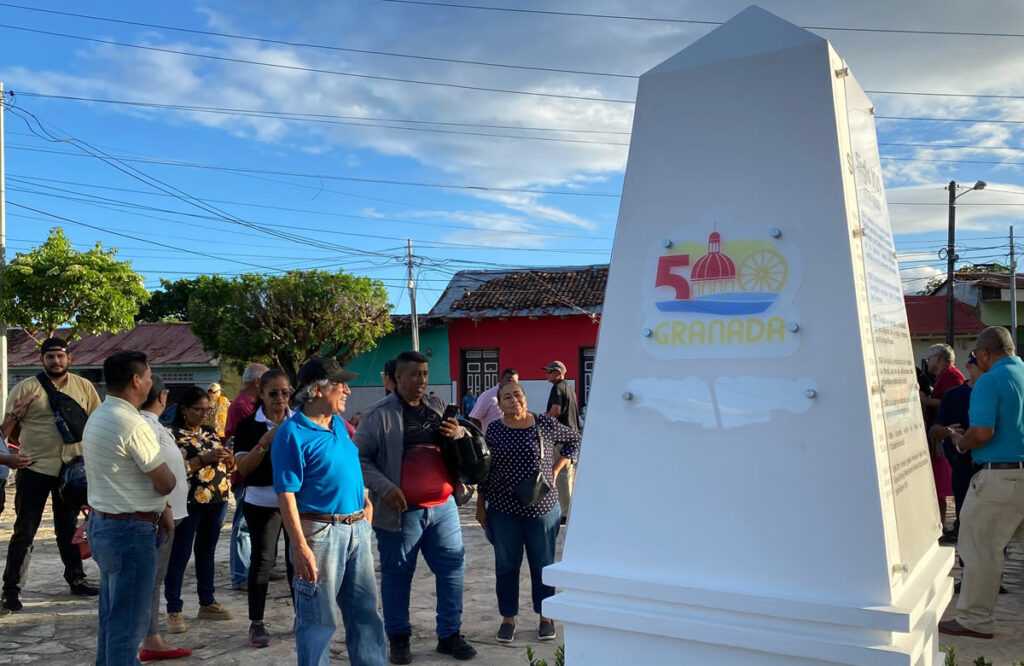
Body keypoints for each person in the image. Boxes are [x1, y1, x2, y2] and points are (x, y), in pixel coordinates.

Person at [356, 350, 477, 664]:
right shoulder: (377, 414)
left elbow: (460, 441)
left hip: (444, 508)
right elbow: (360, 459)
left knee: (452, 569)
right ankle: (399, 637)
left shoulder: (437, 407)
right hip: (400, 513)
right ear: (397, 377)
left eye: (424, 373)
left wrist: (457, 433)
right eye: (414, 374)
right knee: (397, 575)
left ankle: (449, 635)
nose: (421, 380)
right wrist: (385, 488)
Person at [273, 358, 386, 666]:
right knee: (318, 621)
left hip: (356, 528)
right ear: (318, 389)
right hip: (320, 534)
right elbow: (286, 494)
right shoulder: (291, 433)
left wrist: (364, 500)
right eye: (340, 384)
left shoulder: (337, 424)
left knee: (366, 614)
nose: (347, 390)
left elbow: (344, 465)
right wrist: (299, 547)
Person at [82, 351, 177, 665]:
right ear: (136, 380)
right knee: (128, 626)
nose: (151, 381)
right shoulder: (132, 423)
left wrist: (161, 507)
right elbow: (165, 481)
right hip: (129, 531)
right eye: (149, 376)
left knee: (112, 618)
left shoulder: (100, 415)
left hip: (106, 524)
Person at [475, 381, 580, 644]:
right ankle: (508, 618)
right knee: (506, 565)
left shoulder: (544, 423)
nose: (514, 400)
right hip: (503, 510)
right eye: (507, 397)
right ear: (500, 404)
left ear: (525, 397)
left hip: (541, 509)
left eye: (518, 395)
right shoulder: (495, 429)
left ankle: (546, 617)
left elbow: (574, 440)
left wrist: (556, 469)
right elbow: (486, 469)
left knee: (542, 563)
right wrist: (480, 504)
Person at [1, 337, 101, 612]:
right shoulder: (26, 387)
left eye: (60, 356)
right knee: (25, 531)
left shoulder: (84, 387)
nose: (56, 361)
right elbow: (6, 433)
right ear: (42, 359)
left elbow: (96, 424)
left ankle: (76, 579)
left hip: (73, 471)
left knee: (67, 528)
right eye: (50, 357)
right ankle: (11, 590)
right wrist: (16, 416)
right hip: (34, 468)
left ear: (69, 358)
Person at [940, 326, 1024, 639]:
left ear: (986, 353)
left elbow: (982, 432)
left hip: (999, 477)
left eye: (976, 355)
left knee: (980, 550)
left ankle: (974, 620)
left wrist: (960, 443)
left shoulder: (990, 380)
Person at [163, 386, 234, 634]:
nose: (204, 415)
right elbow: (174, 470)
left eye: (207, 410)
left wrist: (228, 458)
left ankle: (207, 601)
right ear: (184, 409)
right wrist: (204, 459)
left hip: (217, 499)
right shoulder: (171, 435)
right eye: (198, 410)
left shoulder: (210, 432)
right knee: (179, 554)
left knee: (206, 552)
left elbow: (229, 466)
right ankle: (174, 608)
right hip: (189, 502)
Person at [233, 369, 295, 648]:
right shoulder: (249, 426)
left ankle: (302, 615)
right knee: (263, 560)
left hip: (295, 502)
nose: (280, 398)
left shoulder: (299, 422)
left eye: (285, 392)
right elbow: (243, 468)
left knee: (296, 560)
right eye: (273, 393)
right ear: (260, 393)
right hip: (262, 502)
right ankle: (256, 623)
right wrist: (264, 444)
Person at [139, 376, 192, 662]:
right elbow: (150, 471)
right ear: (162, 396)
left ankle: (150, 634)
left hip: (170, 512)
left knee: (156, 578)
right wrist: (165, 506)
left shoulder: (154, 424)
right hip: (160, 514)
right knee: (151, 580)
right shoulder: (145, 425)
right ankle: (150, 637)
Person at [928, 353, 983, 545]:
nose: (986, 372)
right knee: (965, 515)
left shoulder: (994, 393)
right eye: (980, 367)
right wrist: (948, 431)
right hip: (962, 467)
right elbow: (935, 430)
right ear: (969, 367)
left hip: (990, 467)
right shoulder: (953, 395)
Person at [226, 363, 267, 592]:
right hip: (245, 473)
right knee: (243, 525)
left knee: (257, 526)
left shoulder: (249, 404)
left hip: (255, 473)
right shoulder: (242, 406)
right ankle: (240, 575)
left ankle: (257, 566)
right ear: (258, 383)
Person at [919, 344, 965, 526]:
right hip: (944, 434)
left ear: (938, 358)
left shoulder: (950, 375)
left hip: (950, 434)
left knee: (953, 483)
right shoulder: (946, 375)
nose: (928, 362)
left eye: (929, 358)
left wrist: (926, 401)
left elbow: (950, 402)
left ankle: (957, 524)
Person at [543, 361, 580, 522]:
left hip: (561, 438)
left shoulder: (557, 388)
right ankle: (570, 510)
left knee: (560, 475)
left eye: (550, 372)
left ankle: (565, 514)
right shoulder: (570, 388)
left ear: (559, 373)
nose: (547, 375)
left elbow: (555, 411)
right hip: (572, 437)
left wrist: (542, 421)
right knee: (569, 475)